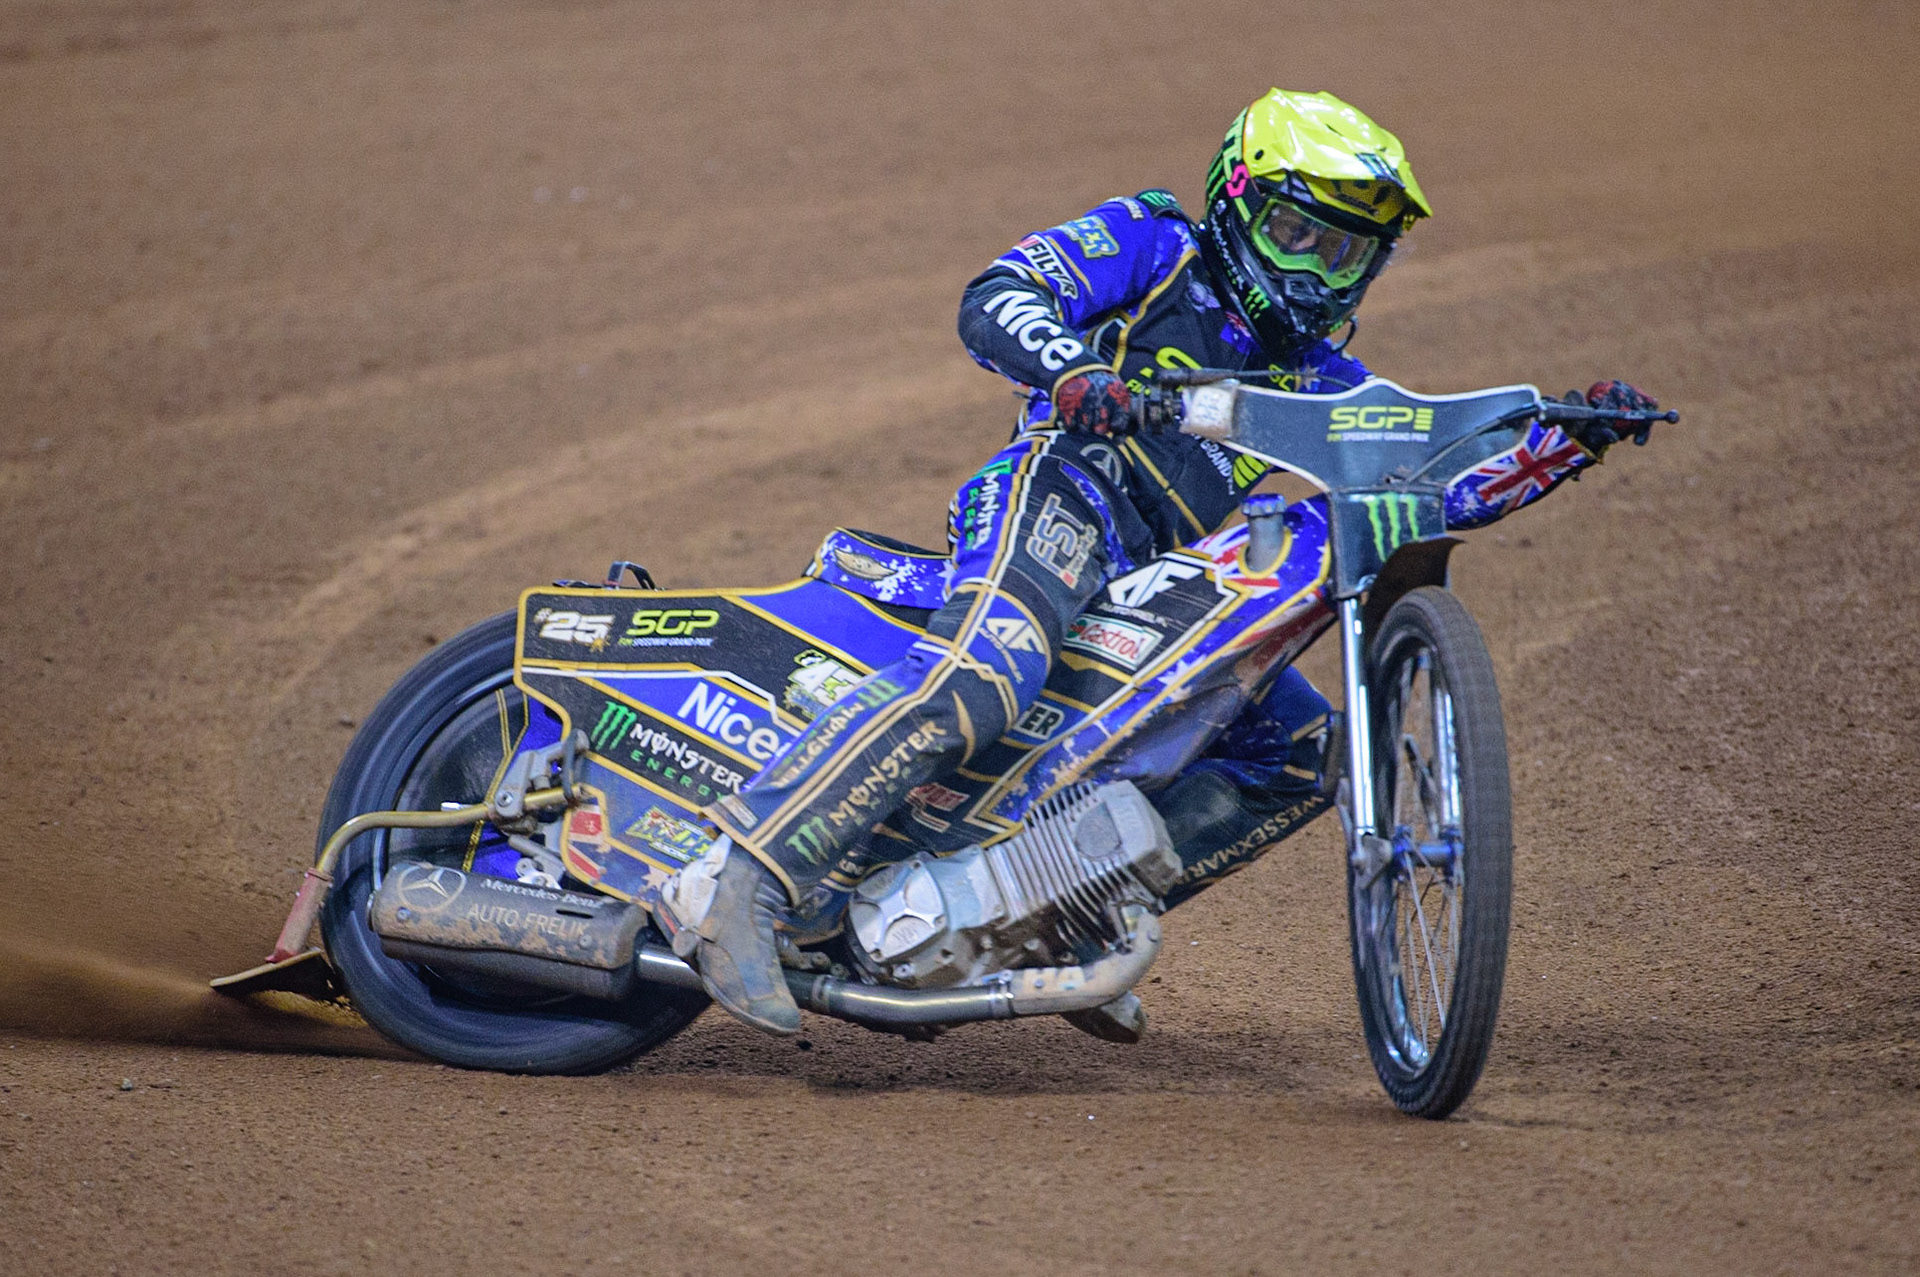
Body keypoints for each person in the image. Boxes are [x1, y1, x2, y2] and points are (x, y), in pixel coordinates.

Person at [659, 88, 1656, 1035]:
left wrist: (1565, 441)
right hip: (1060, 492)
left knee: (1300, 753)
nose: (1314, 272)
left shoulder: (1322, 381)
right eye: (1295, 233)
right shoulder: (1156, 240)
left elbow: (1430, 484)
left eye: (1344, 252)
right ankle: (744, 878)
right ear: (1237, 201)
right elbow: (999, 294)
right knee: (987, 670)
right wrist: (1076, 371)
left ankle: (1053, 918)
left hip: (1166, 576)